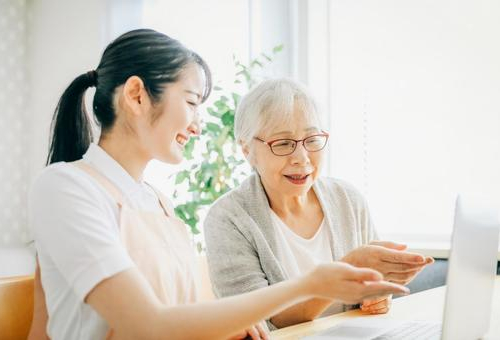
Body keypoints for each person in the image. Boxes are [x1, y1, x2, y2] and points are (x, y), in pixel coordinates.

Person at [28, 29, 409, 340]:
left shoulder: (158, 203)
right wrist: (311, 283)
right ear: (136, 95)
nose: (197, 124)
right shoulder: (65, 188)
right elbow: (146, 324)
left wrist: (225, 325)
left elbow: (179, 316)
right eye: (192, 102)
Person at [204, 78, 434, 329]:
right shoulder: (228, 218)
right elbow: (258, 322)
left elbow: (369, 290)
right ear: (247, 150)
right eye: (283, 144)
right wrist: (347, 269)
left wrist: (376, 296)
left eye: (312, 140)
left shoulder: (347, 199)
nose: (302, 158)